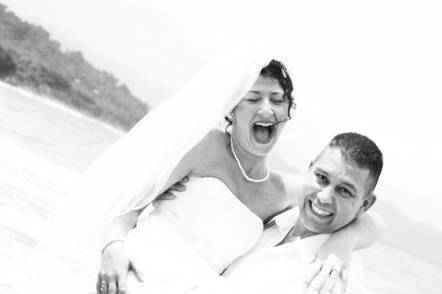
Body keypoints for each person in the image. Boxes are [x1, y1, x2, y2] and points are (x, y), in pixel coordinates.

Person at [29, 50, 383, 294]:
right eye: (252, 97)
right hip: (129, 272)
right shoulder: (204, 147)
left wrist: (346, 240)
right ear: (231, 109)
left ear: (289, 112)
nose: (267, 108)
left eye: (277, 100)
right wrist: (112, 246)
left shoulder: (285, 189)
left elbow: (368, 218)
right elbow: (127, 204)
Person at [182, 132, 384, 294]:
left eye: (344, 191)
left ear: (364, 205)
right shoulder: (279, 215)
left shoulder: (331, 280)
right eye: (322, 178)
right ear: (309, 168)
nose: (324, 197)